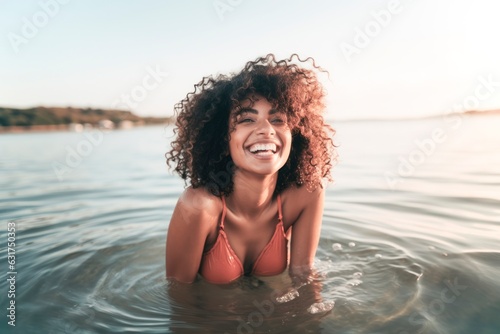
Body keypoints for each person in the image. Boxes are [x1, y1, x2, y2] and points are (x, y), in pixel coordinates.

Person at [165, 54, 335, 285]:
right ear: (223, 138)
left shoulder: (306, 194)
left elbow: (304, 279)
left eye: (277, 120)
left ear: (294, 133)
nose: (266, 130)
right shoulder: (199, 208)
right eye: (247, 120)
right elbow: (179, 298)